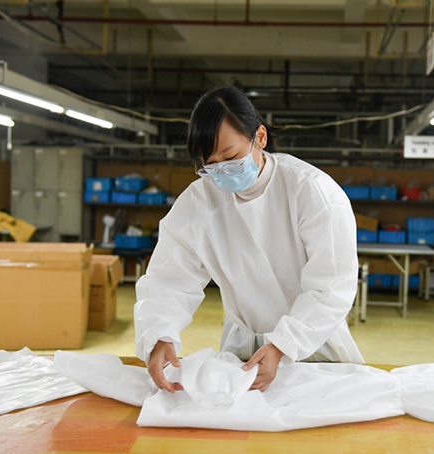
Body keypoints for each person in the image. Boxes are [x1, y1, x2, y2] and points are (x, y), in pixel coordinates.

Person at [134, 86, 363, 394]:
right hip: (242, 347)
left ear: (260, 137)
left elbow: (331, 285)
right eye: (211, 166)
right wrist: (159, 334)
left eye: (231, 158)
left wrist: (283, 344)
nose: (223, 173)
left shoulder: (311, 190)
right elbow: (169, 278)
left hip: (313, 343)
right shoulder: (199, 201)